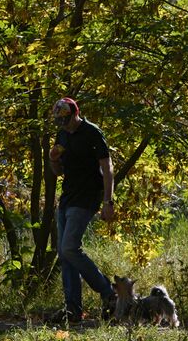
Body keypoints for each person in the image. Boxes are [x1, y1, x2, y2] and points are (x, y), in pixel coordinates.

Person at [49, 97, 116, 323]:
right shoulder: (62, 135)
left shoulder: (92, 133)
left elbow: (107, 168)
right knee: (65, 253)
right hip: (68, 197)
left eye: (66, 120)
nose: (63, 125)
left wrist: (108, 202)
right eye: (60, 121)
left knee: (69, 247)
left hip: (87, 197)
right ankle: (73, 310)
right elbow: (58, 172)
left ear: (75, 114)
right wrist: (53, 160)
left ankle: (108, 292)